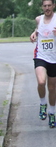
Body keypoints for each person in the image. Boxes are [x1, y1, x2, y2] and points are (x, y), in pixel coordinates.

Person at [30, 0, 56, 128]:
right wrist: (34, 33)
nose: (47, 8)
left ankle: (52, 113)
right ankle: (42, 103)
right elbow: (38, 30)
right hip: (40, 55)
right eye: (45, 6)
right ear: (42, 7)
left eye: (49, 5)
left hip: (54, 58)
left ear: (53, 6)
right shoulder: (38, 19)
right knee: (41, 82)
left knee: (52, 88)